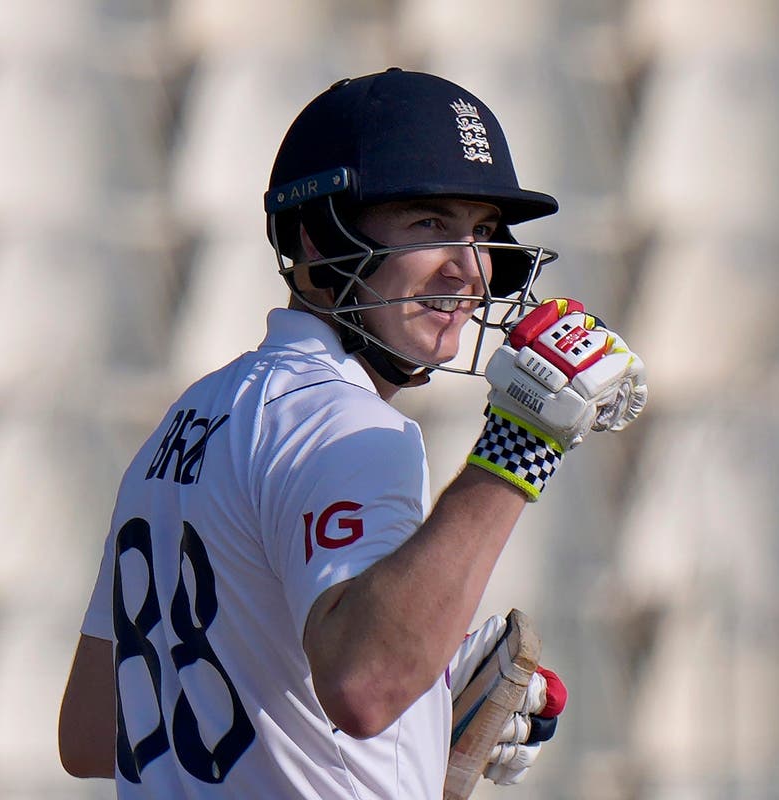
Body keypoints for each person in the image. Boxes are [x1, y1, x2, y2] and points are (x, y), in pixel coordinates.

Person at [58, 67, 646, 798]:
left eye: (485, 231)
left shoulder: (184, 424)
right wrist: (518, 449)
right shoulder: (351, 427)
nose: (469, 268)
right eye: (429, 222)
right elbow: (366, 686)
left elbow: (91, 733)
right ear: (314, 237)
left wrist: (424, 694)